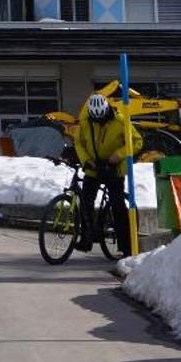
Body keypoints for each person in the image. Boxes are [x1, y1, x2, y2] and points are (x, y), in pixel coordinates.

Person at [70, 93, 143, 254]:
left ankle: (126, 247)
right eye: (96, 120)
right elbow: (78, 143)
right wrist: (86, 160)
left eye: (102, 118)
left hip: (114, 168)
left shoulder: (120, 121)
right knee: (86, 202)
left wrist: (118, 155)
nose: (99, 122)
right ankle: (86, 239)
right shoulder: (85, 123)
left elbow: (137, 142)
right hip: (93, 167)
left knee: (118, 206)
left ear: (107, 110)